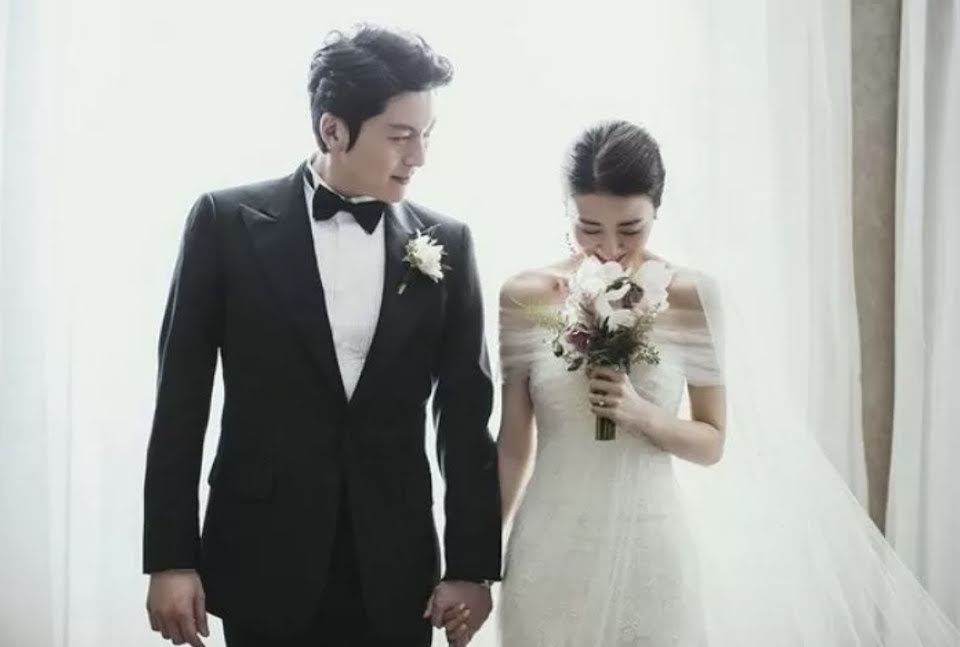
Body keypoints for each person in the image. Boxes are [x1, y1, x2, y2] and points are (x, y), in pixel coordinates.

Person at [489, 119, 960, 646]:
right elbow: (513, 445)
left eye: (631, 229)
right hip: (549, 550)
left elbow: (711, 441)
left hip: (648, 545)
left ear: (656, 210)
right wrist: (477, 565)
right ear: (567, 209)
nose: (610, 249)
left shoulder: (693, 297)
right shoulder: (524, 297)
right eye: (589, 228)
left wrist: (641, 413)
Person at [142, 24, 500, 647]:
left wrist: (471, 567)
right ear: (333, 130)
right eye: (400, 136)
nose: (418, 157)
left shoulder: (448, 242)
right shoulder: (224, 224)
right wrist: (170, 559)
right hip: (261, 557)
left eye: (427, 135)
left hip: (397, 570)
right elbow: (180, 400)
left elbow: (465, 419)